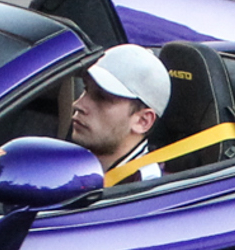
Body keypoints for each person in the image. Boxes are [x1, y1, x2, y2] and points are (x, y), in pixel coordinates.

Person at [66, 44, 170, 182]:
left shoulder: (144, 194)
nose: (78, 104)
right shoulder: (78, 166)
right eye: (86, 89)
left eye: (101, 98)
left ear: (142, 121)